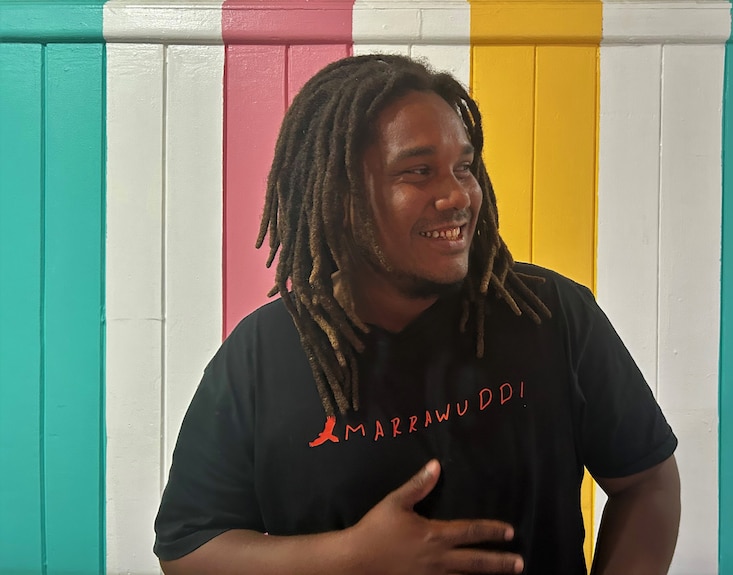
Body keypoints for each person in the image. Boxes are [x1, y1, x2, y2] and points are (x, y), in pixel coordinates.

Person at [154, 54, 681, 575]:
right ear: (342, 197)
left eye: (464, 168)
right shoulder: (261, 356)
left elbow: (647, 484)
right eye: (419, 172)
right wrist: (351, 557)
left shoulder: (552, 313)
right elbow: (188, 548)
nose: (457, 196)